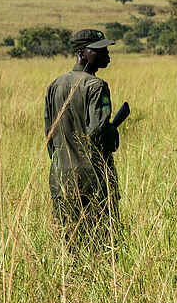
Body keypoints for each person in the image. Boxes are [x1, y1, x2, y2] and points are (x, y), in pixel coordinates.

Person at [44, 28, 127, 248]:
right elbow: (97, 134)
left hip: (60, 174)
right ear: (81, 53)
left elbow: (49, 136)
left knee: (69, 241)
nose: (106, 54)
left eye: (106, 49)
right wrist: (113, 133)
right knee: (102, 241)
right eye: (99, 50)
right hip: (93, 175)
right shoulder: (96, 86)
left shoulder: (55, 84)